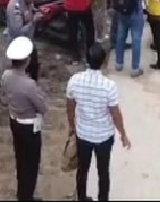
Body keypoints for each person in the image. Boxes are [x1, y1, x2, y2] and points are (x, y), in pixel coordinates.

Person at [66, 43, 131, 202]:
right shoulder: (109, 86)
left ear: (87, 60)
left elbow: (70, 107)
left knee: (82, 170)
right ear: (103, 62)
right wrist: (123, 135)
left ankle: (81, 198)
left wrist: (72, 126)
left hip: (83, 135)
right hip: (103, 137)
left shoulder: (74, 80)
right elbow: (115, 114)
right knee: (103, 172)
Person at [2, 37, 48, 203]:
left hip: (14, 122)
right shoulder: (29, 85)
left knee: (20, 160)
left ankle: (22, 193)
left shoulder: (6, 75)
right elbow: (43, 108)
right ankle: (27, 197)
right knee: (31, 164)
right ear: (28, 60)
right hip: (29, 128)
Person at [114, 0, 148, 77]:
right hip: (135, 12)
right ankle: (134, 69)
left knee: (120, 36)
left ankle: (118, 63)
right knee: (136, 39)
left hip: (122, 10)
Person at [6, 0, 43, 81]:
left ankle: (32, 87)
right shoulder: (15, 7)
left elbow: (29, 10)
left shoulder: (27, 1)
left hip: (29, 40)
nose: (34, 0)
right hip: (19, 44)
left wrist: (36, 11)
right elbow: (17, 32)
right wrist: (33, 21)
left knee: (34, 67)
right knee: (22, 74)